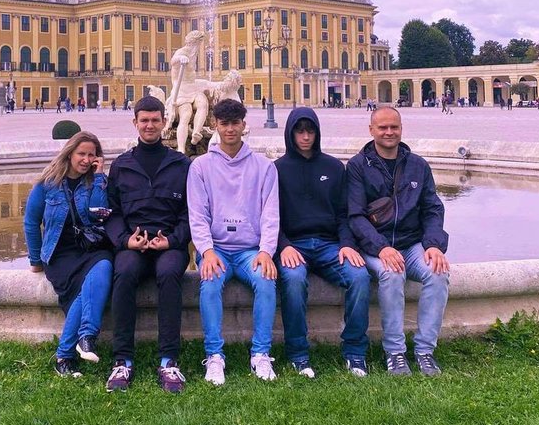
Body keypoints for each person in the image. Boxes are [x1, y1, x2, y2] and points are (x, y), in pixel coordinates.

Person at [347, 106, 450, 377]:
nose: (389, 132)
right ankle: (395, 352)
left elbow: (432, 209)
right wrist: (382, 247)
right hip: (374, 246)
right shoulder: (358, 166)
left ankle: (425, 351)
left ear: (401, 128)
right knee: (392, 273)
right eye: (382, 127)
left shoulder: (417, 165)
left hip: (412, 243)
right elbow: (355, 217)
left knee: (438, 273)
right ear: (371, 130)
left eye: (394, 127)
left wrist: (433, 245)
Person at [187, 98, 279, 385]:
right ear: (215, 125)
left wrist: (266, 251)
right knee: (210, 282)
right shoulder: (200, 167)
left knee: (266, 280)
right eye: (224, 124)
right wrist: (207, 251)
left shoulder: (265, 167)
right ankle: (215, 356)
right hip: (217, 250)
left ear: (243, 125)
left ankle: (260, 354)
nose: (229, 129)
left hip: (250, 250)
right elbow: (197, 215)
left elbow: (270, 214)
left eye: (235, 123)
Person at [104, 95, 191, 393]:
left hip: (169, 245)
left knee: (169, 274)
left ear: (164, 123)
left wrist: (173, 240)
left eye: (155, 120)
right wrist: (125, 240)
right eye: (144, 120)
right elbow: (112, 212)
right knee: (124, 272)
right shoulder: (122, 165)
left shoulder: (181, 164)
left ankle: (169, 361)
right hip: (133, 244)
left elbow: (191, 213)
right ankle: (122, 361)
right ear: (135, 123)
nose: (150, 125)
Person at [275, 108, 370, 378]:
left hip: (330, 245)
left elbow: (344, 213)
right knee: (292, 280)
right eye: (299, 131)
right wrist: (284, 246)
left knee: (360, 276)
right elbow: (270, 217)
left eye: (310, 131)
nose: (305, 137)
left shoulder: (333, 167)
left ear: (317, 133)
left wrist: (347, 244)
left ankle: (354, 352)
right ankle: (298, 354)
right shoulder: (277, 169)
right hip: (294, 245)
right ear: (290, 133)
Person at [24, 131, 113, 377]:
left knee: (105, 265)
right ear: (70, 153)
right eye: (81, 154)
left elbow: (98, 213)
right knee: (81, 293)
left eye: (91, 155)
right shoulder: (47, 184)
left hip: (90, 248)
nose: (85, 160)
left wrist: (97, 178)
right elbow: (31, 222)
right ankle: (66, 354)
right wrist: (35, 260)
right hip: (59, 253)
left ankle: (84, 338)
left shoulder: (96, 181)